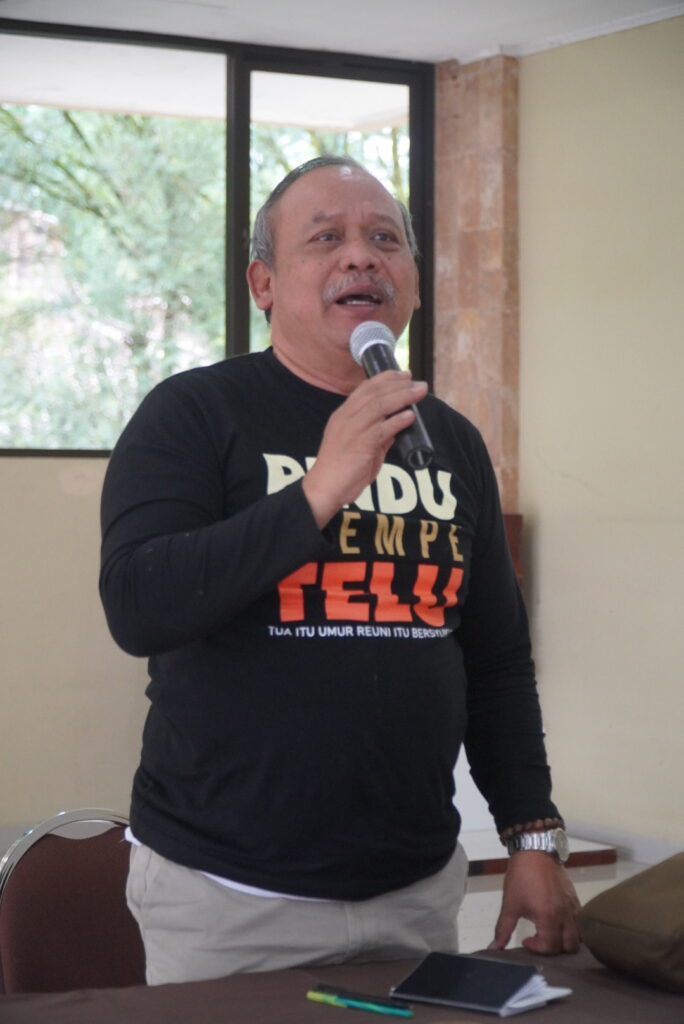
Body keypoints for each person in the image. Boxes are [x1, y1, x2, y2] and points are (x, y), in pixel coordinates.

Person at [99, 155, 579, 986]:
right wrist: (319, 490)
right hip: (228, 896)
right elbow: (140, 603)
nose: (361, 256)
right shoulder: (193, 413)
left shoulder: (452, 441)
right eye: (326, 239)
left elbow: (496, 661)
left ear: (414, 283)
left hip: (415, 891)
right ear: (263, 282)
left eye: (385, 239)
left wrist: (531, 835)